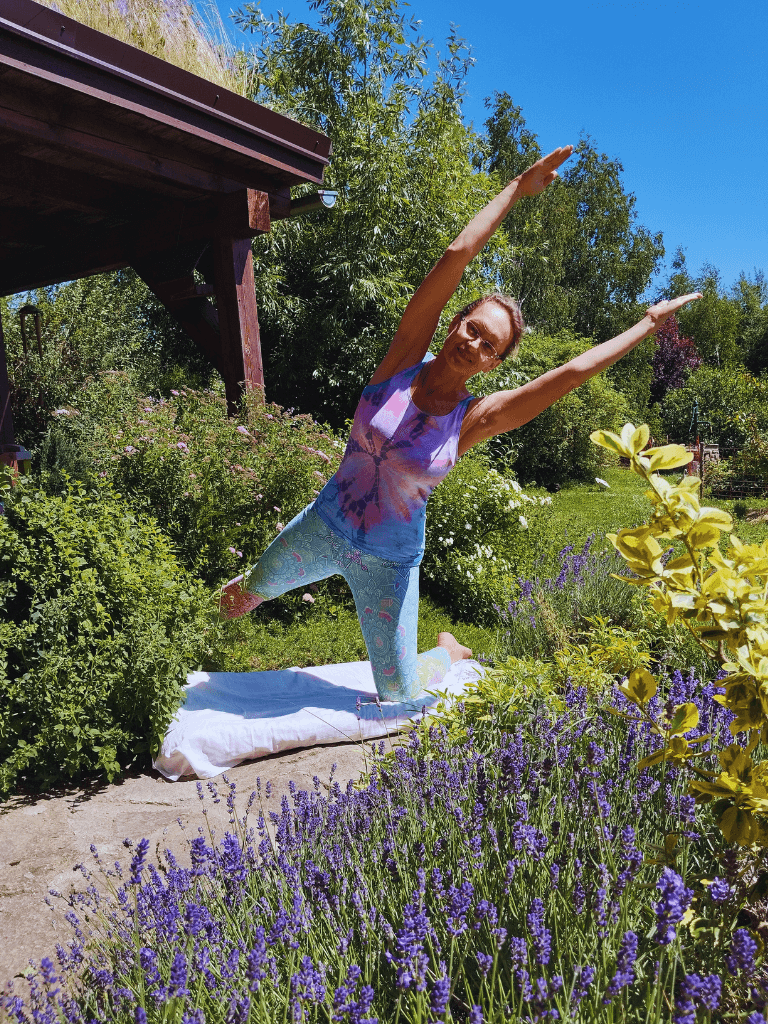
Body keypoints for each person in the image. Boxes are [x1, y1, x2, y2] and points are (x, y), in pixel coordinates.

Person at [219, 145, 701, 711]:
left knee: (400, 697)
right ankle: (176, 645)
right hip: (324, 526)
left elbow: (570, 375)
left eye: (489, 345)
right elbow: (455, 256)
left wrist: (648, 323)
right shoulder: (401, 363)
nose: (474, 344)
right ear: (455, 323)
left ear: (493, 363)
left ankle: (448, 652)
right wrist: (516, 188)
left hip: (390, 564)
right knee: (240, 598)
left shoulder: (473, 419)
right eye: (473, 328)